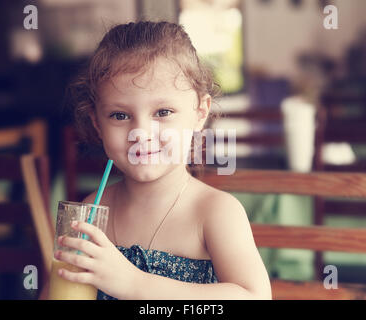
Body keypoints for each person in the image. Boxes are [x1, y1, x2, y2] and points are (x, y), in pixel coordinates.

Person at [44, 21, 271, 300]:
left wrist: (134, 284)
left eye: (163, 112)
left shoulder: (215, 212)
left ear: (200, 113)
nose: (140, 133)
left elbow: (255, 296)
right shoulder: (91, 212)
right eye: (119, 115)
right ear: (97, 123)